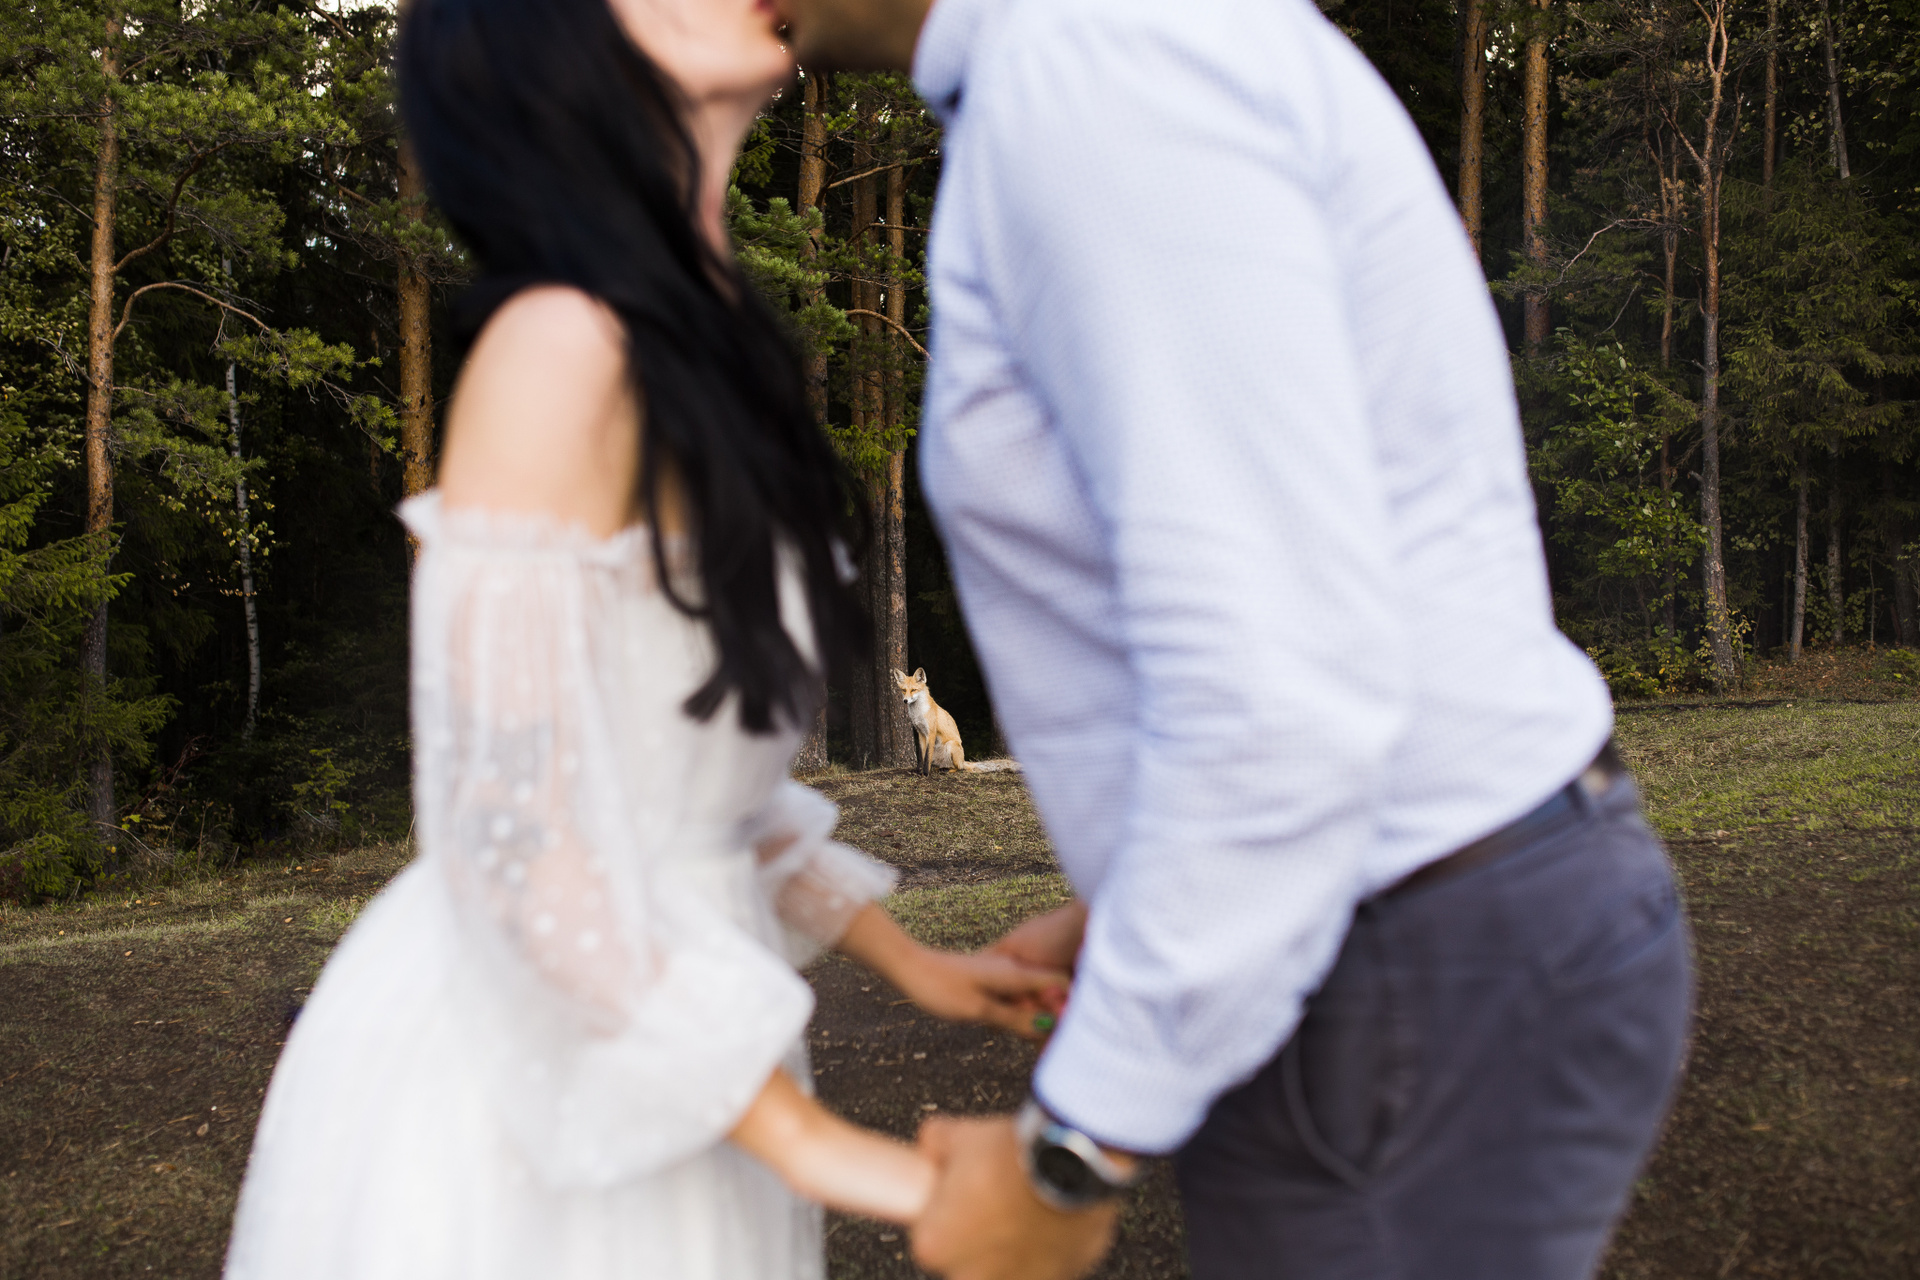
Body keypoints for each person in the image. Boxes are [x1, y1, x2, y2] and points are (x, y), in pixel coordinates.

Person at [779, 1, 1696, 1278]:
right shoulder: (1102, 57)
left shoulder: (1092, 71)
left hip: (1404, 967)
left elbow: (1281, 694)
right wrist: (1151, 893)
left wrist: (1071, 1150)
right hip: (1403, 936)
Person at [221, 1, 1068, 1277]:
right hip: (528, 1086)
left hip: (683, 1052)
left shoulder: (694, 348)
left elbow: (691, 792)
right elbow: (517, 833)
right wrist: (860, 1164)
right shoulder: (557, 347)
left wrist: (915, 961)